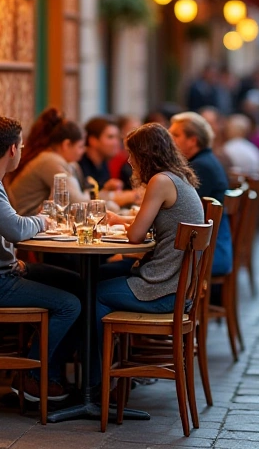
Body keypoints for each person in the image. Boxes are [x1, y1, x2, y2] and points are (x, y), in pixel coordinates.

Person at [0, 116, 82, 402]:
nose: (22, 151)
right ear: (12, 149)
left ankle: (50, 373)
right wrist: (43, 220)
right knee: (70, 305)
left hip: (0, 272)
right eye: (21, 146)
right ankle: (33, 379)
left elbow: (11, 227)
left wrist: (32, 221)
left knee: (78, 285)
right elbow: (16, 230)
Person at [95, 123, 206, 387]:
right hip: (175, 287)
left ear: (146, 154)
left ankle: (97, 384)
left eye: (132, 154)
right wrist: (121, 219)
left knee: (91, 293)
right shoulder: (177, 178)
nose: (129, 160)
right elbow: (153, 224)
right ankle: (110, 374)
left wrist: (123, 223)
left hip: (161, 291)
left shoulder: (161, 181)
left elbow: (135, 236)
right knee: (94, 277)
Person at [168, 112, 233, 276]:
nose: (169, 140)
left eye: (175, 135)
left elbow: (179, 214)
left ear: (192, 140)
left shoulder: (200, 167)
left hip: (210, 253)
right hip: (211, 247)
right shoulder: (205, 161)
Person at [8, 112, 88, 216]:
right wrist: (109, 197)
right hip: (28, 224)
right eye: (80, 146)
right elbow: (77, 204)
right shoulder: (50, 160)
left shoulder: (48, 157)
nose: (83, 151)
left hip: (32, 222)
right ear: (66, 144)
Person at [78, 116, 137, 207]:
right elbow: (83, 201)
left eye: (117, 138)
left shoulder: (103, 162)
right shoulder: (78, 164)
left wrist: (107, 188)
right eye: (110, 137)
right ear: (93, 140)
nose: (116, 142)